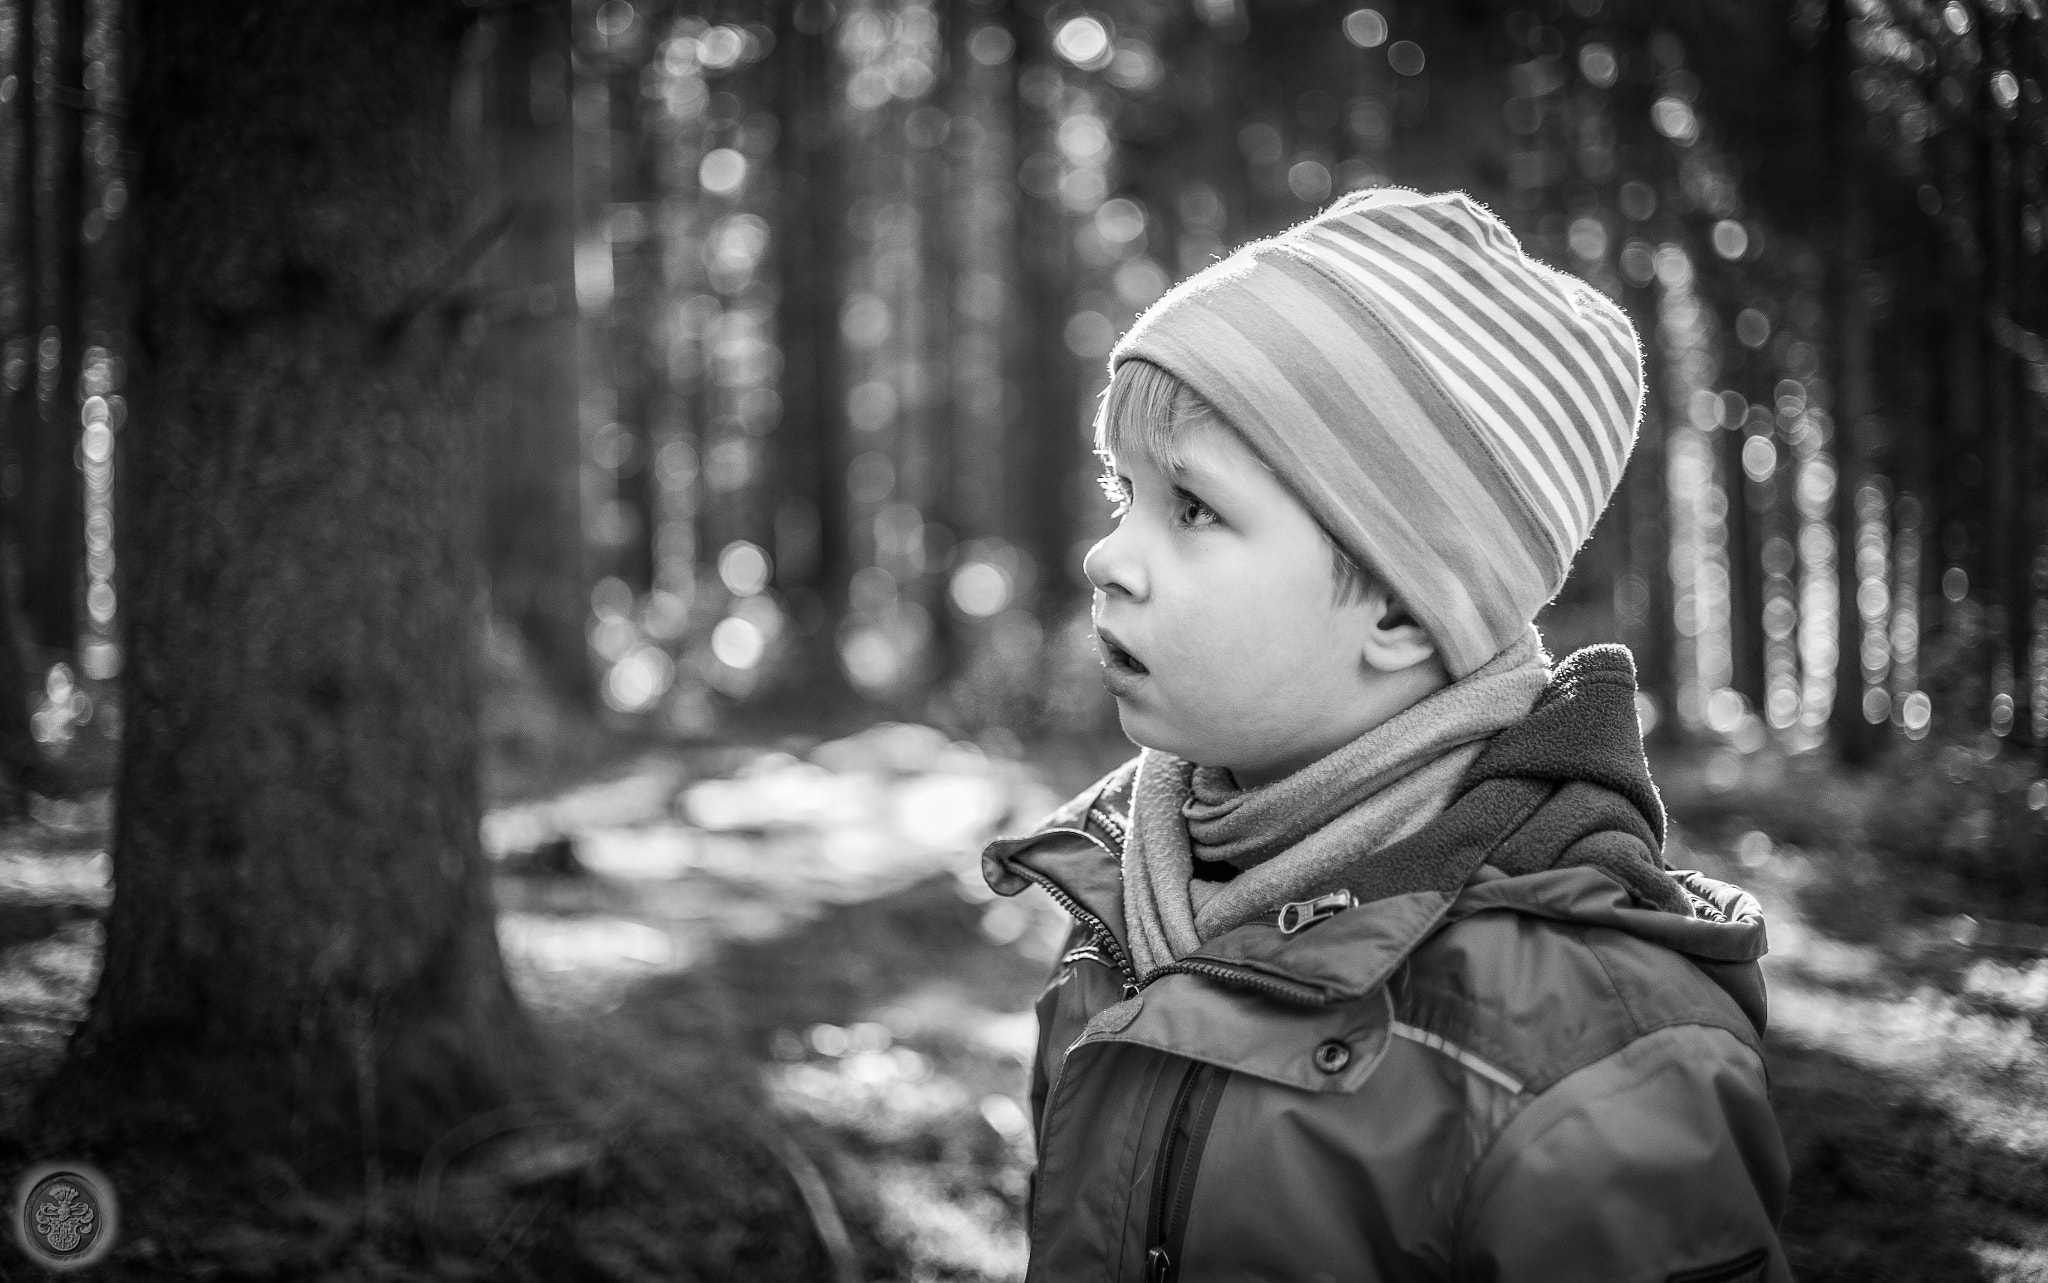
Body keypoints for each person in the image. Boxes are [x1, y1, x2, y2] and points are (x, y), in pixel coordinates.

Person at [981, 188, 1790, 1282]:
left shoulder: (1585, 1048)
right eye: (1123, 490)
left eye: (1192, 508)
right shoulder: (1127, 893)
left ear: (1404, 611)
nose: (1106, 556)